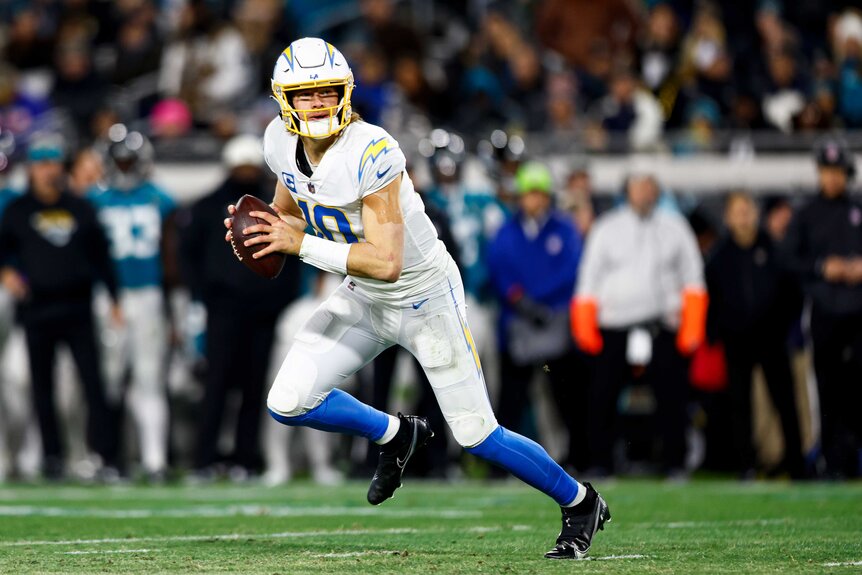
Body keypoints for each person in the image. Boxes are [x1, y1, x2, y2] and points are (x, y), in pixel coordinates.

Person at [225, 37, 610, 559]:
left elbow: (387, 260)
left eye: (326, 91)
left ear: (345, 92)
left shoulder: (372, 149)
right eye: (305, 93)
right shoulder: (277, 141)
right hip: (364, 294)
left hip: (422, 297)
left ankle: (580, 501)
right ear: (283, 99)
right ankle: (394, 434)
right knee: (288, 401)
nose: (317, 103)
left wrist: (298, 243)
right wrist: (266, 233)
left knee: (478, 434)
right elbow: (292, 209)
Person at [180, 134, 301, 479]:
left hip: (263, 310)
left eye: (252, 166)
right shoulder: (207, 207)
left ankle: (245, 459)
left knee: (254, 387)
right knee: (216, 385)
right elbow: (188, 255)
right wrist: (203, 294)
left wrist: (281, 298)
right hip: (223, 309)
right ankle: (204, 459)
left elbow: (294, 255)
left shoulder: (277, 207)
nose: (247, 172)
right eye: (241, 166)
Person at [0, 134, 121, 480]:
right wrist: (7, 271)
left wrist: (114, 298)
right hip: (37, 308)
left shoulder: (80, 207)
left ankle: (106, 455)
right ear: (31, 169)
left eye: (53, 162)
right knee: (42, 387)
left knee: (92, 385)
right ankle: (52, 456)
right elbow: (3, 250)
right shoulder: (18, 210)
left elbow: (102, 256)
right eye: (41, 163)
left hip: (78, 306)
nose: (47, 170)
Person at [573, 172, 707, 478]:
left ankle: (675, 462)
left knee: (672, 397)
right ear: (627, 190)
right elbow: (589, 278)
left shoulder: (675, 227)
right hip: (614, 326)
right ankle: (600, 462)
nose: (644, 192)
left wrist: (692, 326)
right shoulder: (607, 228)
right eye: (638, 185)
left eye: (650, 186)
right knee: (602, 397)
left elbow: (693, 277)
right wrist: (585, 326)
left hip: (662, 326)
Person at [487, 162, 589, 473]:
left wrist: (541, 301)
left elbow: (571, 270)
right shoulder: (506, 231)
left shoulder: (563, 228)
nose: (532, 200)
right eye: (527, 194)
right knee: (511, 398)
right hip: (519, 322)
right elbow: (499, 270)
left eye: (537, 193)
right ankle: (500, 464)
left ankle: (576, 456)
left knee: (566, 397)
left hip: (554, 321)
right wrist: (523, 301)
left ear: (546, 196)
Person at [88, 125, 176, 480]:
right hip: (109, 295)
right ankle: (104, 457)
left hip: (149, 293)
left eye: (129, 162)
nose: (124, 167)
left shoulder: (161, 198)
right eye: (119, 162)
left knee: (149, 378)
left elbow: (174, 258)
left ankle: (155, 460)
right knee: (106, 379)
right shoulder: (94, 200)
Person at [705, 192, 804, 478]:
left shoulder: (775, 250)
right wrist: (719, 332)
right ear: (728, 217)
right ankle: (746, 465)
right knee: (740, 404)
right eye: (737, 211)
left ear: (756, 214)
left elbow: (790, 293)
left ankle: (797, 464)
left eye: (747, 210)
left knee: (785, 401)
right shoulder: (719, 257)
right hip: (736, 341)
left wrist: (783, 327)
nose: (743, 217)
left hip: (772, 338)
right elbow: (714, 299)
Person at [782, 136, 862, 478]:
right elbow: (787, 258)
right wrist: (821, 267)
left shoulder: (858, 208)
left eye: (837, 171)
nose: (832, 178)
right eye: (826, 171)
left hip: (859, 312)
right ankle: (831, 460)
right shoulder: (806, 214)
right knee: (826, 389)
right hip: (824, 310)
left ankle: (855, 458)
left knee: (857, 386)